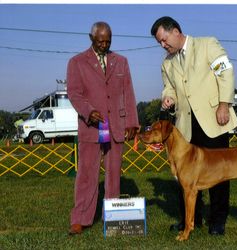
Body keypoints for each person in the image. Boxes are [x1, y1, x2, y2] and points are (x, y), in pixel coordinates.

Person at [150, 16, 237, 236]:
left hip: (214, 119)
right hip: (185, 127)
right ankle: (190, 221)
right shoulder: (166, 63)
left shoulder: (207, 44)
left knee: (220, 174)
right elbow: (168, 88)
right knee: (185, 178)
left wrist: (224, 105)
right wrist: (168, 98)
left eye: (164, 39)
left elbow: (225, 72)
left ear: (176, 31)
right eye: (159, 42)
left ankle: (218, 221)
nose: (163, 45)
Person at [66, 22, 139, 235]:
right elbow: (74, 93)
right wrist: (89, 112)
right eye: (100, 41)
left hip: (116, 126)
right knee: (87, 174)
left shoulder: (122, 62)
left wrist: (132, 122)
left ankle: (114, 218)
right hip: (91, 127)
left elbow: (128, 92)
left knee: (114, 174)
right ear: (91, 38)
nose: (104, 45)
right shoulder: (76, 62)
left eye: (108, 41)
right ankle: (80, 219)